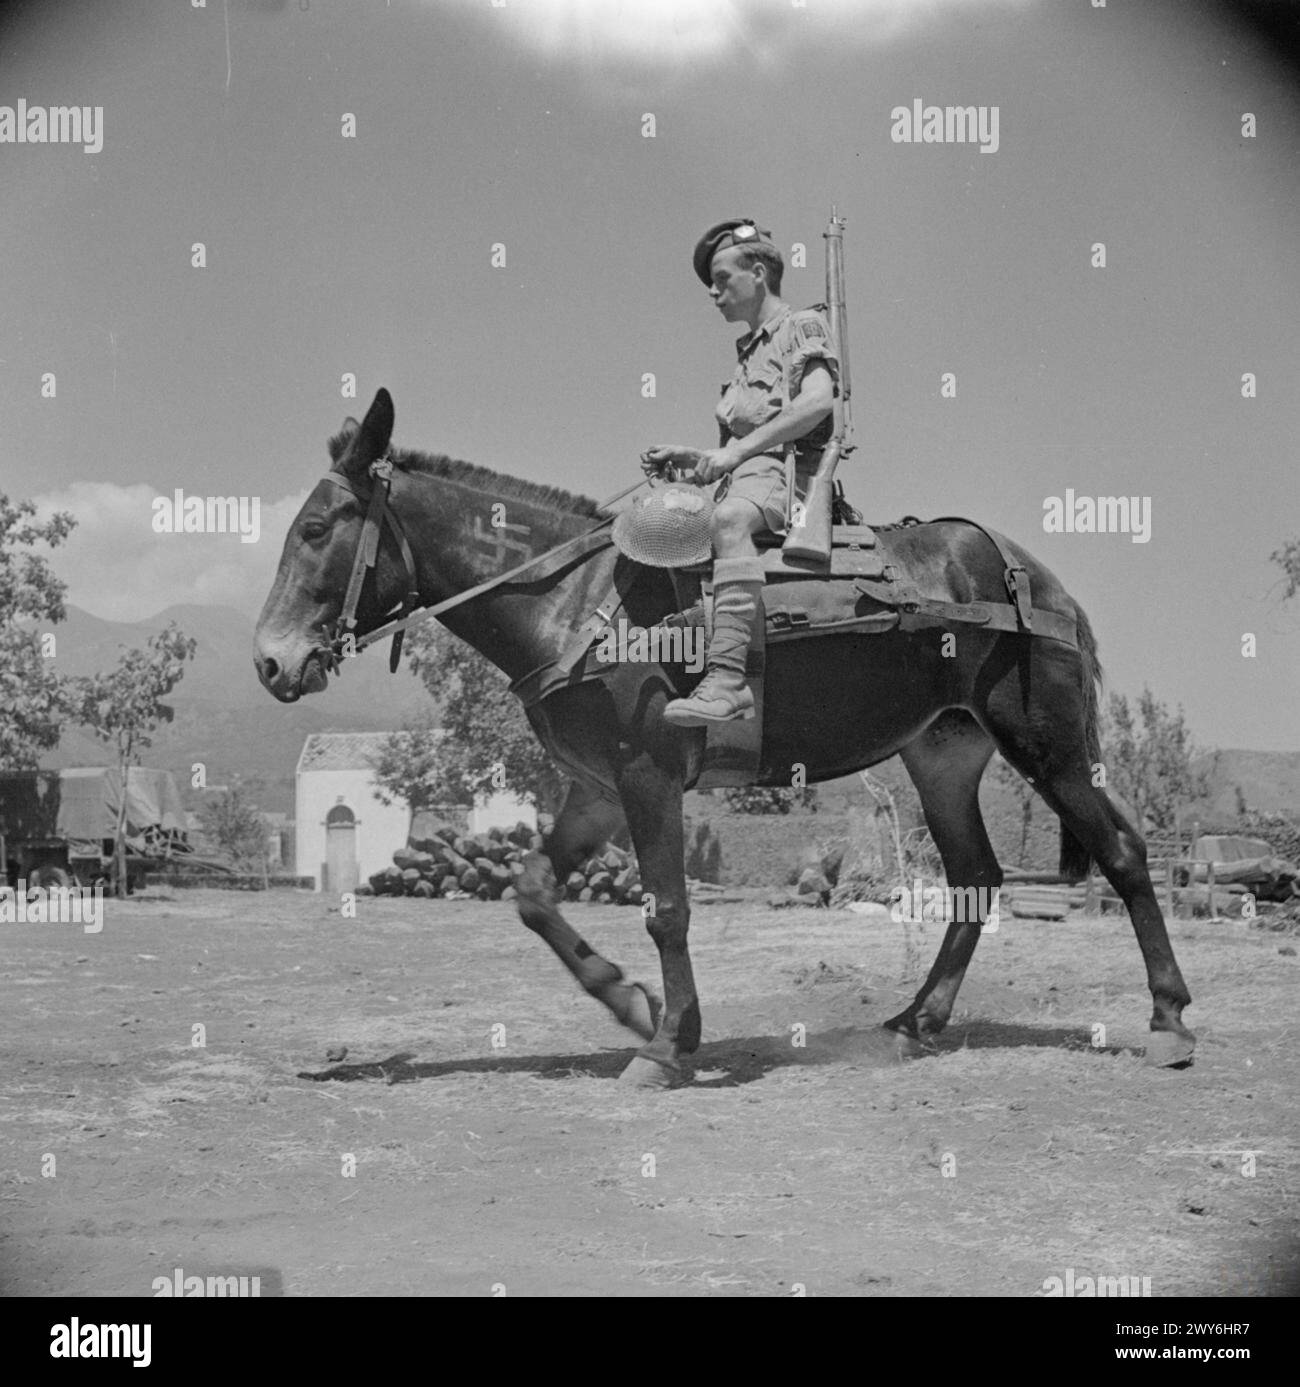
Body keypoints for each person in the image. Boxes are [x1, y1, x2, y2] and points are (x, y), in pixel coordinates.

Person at [643, 219, 839, 726]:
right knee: (655, 524)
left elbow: (819, 402)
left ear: (758, 272)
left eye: (721, 278)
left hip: (788, 477)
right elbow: (739, 444)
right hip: (747, 477)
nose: (713, 292)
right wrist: (695, 456)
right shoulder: (747, 352)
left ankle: (729, 682)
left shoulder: (802, 327)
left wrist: (734, 454)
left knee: (728, 521)